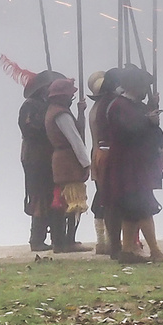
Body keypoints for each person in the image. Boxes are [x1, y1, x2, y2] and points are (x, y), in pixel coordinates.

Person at [103, 65, 163, 263]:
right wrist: (147, 121)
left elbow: (153, 131)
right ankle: (155, 251)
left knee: (133, 209)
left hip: (137, 165)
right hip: (126, 165)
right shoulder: (118, 107)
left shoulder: (139, 107)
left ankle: (127, 250)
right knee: (142, 207)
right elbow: (127, 133)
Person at [15, 67, 61, 251]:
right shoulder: (31, 106)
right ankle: (37, 239)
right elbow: (31, 129)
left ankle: (55, 237)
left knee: (50, 194)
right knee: (39, 195)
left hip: (43, 154)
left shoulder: (42, 104)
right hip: (35, 156)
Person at [44, 76, 92, 252]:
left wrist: (80, 113)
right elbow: (75, 139)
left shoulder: (52, 111)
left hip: (61, 158)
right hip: (68, 159)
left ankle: (60, 240)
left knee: (62, 201)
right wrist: (86, 163)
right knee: (73, 201)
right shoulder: (61, 114)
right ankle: (67, 241)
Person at [86, 70, 115, 256]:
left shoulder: (96, 108)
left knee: (102, 195)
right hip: (107, 154)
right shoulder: (107, 108)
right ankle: (108, 241)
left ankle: (103, 241)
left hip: (98, 153)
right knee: (107, 197)